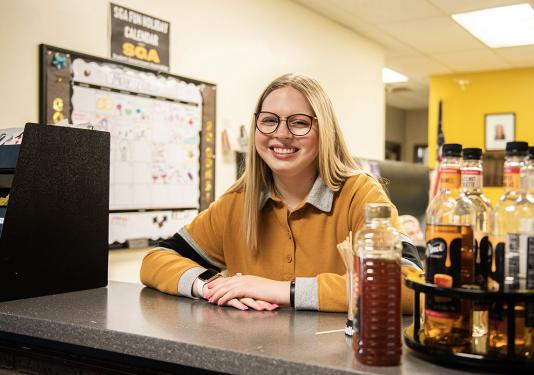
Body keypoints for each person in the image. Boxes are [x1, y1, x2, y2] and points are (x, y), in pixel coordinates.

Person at [140, 73, 422, 312]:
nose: (281, 134)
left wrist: (280, 290)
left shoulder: (359, 193)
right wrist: (209, 286)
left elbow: (408, 286)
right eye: (269, 120)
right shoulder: (237, 202)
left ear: (324, 131)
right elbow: (156, 259)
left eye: (299, 122)